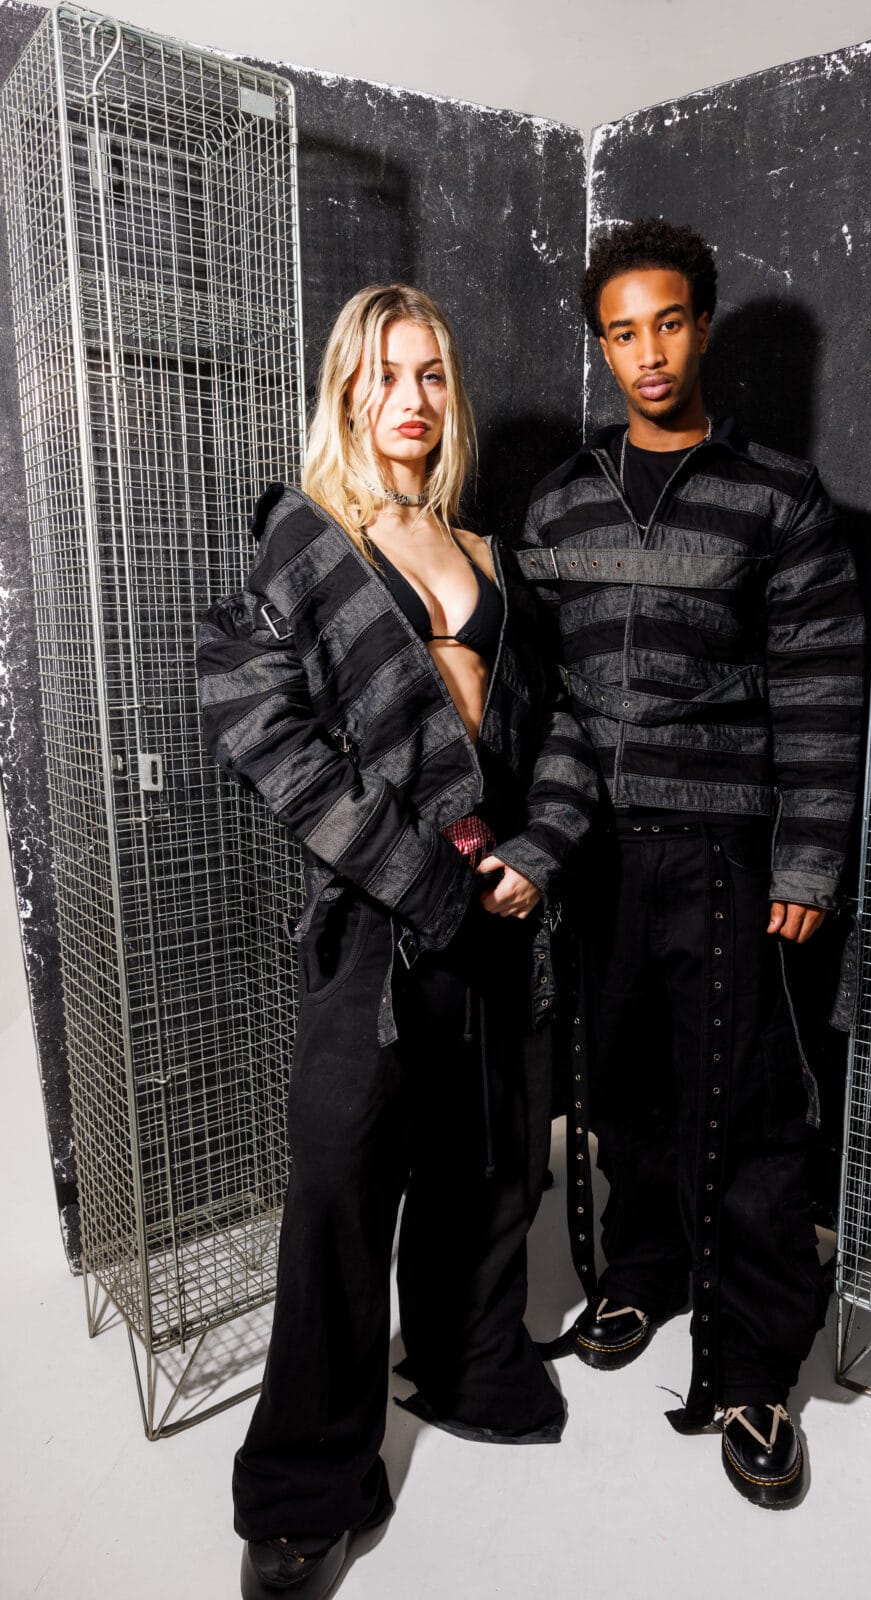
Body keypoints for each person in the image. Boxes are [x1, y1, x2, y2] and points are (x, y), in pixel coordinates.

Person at [196, 283, 599, 1598]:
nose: (410, 398)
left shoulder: (484, 548)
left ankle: (468, 1363)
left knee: (493, 1158)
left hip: (500, 913)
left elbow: (559, 724)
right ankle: (308, 1485)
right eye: (384, 374)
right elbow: (256, 720)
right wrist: (418, 874)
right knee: (340, 1186)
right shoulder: (306, 535)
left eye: (430, 373)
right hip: (376, 917)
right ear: (347, 390)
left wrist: (538, 848)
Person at [516, 218, 865, 1507]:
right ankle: (645, 1273)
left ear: (703, 326)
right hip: (600, 857)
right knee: (627, 1093)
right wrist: (545, 843)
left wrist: (808, 862)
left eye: (669, 323)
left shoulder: (777, 495)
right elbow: (550, 701)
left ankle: (758, 1371)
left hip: (729, 853)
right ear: (602, 347)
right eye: (624, 333)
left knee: (754, 1114)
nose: (649, 353)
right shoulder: (557, 501)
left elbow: (820, 690)